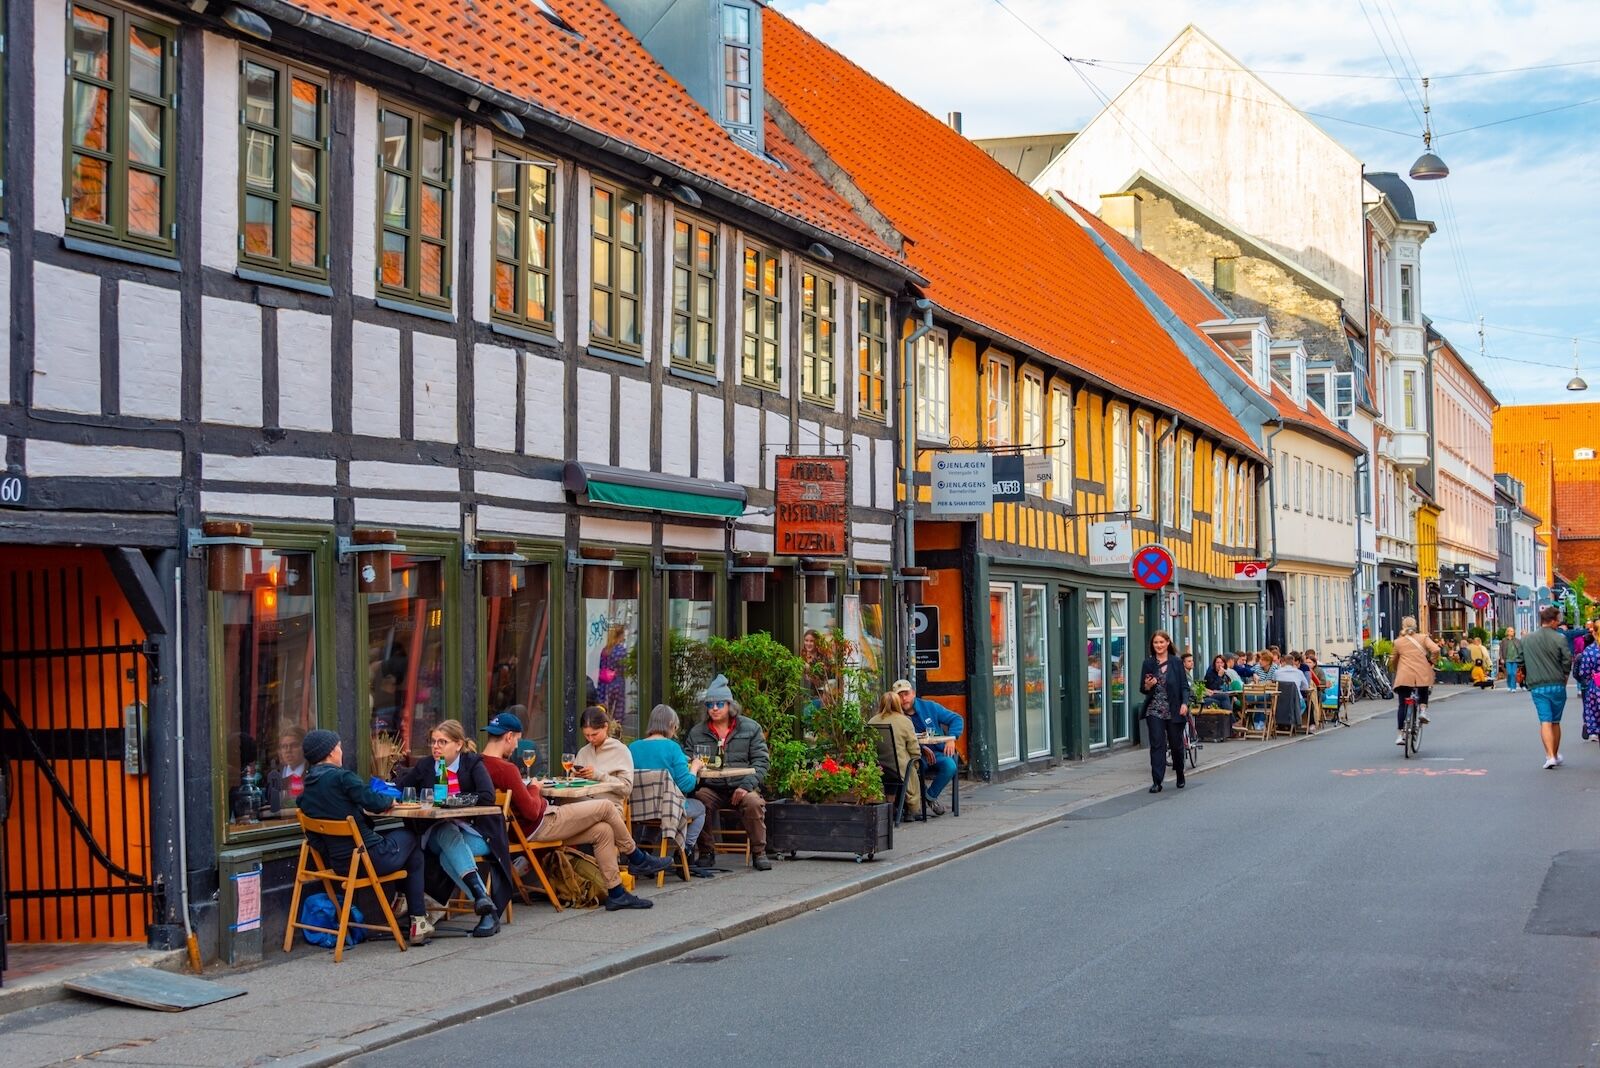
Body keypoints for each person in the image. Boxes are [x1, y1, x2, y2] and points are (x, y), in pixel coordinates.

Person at [479, 711, 666, 909]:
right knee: (606, 807)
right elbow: (532, 812)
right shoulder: (506, 769)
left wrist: (529, 790)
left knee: (604, 831)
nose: (517, 745)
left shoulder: (478, 763)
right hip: (540, 825)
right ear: (508, 737)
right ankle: (636, 856)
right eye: (517, 740)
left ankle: (617, 893)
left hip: (515, 831)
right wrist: (535, 788)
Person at [295, 729, 434, 946]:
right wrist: (390, 802)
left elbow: (315, 839)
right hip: (370, 858)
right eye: (339, 747)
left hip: (341, 865)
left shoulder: (307, 791)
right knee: (412, 839)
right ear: (331, 752)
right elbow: (373, 801)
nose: (341, 751)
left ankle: (405, 905)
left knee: (398, 841)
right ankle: (417, 918)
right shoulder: (342, 777)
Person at [393, 720, 513, 937]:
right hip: (436, 833)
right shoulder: (426, 765)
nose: (436, 747)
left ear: (458, 745)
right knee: (446, 833)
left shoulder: (472, 763)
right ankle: (484, 903)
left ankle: (487, 909)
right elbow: (402, 789)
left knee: (450, 853)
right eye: (433, 742)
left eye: (442, 742)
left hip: (477, 834)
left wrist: (456, 801)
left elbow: (487, 796)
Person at [685, 675, 773, 871]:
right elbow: (687, 759)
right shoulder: (697, 732)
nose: (714, 708)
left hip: (741, 784)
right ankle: (706, 852)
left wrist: (746, 785)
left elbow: (761, 761)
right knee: (699, 800)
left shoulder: (750, 728)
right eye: (710, 704)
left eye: (719, 703)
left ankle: (759, 853)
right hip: (712, 787)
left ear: (730, 705)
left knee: (753, 803)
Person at [629, 704, 709, 864]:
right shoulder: (673, 748)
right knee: (700, 808)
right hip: (667, 810)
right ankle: (685, 851)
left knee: (657, 800)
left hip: (636, 810)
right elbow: (686, 785)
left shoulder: (632, 747)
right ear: (671, 724)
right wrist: (694, 767)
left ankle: (646, 850)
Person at [892, 679, 964, 817]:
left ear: (913, 693)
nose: (904, 699)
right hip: (913, 755)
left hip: (937, 752)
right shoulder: (896, 715)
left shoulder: (929, 707)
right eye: (899, 696)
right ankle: (913, 804)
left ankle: (929, 797)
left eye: (906, 694)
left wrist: (952, 738)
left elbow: (956, 719)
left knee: (950, 765)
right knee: (911, 770)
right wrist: (922, 747)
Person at [1522, 605, 1575, 769]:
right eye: (1557, 621)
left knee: (1545, 720)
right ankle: (1555, 754)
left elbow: (1520, 660)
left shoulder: (1527, 639)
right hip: (1557, 684)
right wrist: (1565, 676)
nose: (1558, 624)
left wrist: (1525, 673)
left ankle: (1550, 756)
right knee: (1556, 721)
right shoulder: (1559, 638)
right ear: (1552, 621)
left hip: (1537, 685)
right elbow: (1567, 660)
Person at [1138, 630, 1189, 793]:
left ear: (1168, 643)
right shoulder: (1148, 663)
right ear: (1152, 645)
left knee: (1176, 745)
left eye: (1161, 642)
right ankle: (1157, 781)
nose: (1159, 645)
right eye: (1155, 643)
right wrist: (1148, 685)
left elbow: (1184, 687)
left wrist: (1184, 704)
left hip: (1174, 710)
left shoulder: (1176, 662)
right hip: (1155, 710)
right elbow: (1143, 689)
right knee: (1157, 745)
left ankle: (1180, 773)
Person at [868, 691, 924, 818]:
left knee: (897, 773)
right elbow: (914, 749)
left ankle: (892, 807)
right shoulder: (904, 721)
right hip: (899, 769)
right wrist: (916, 762)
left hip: (878, 768)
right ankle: (912, 810)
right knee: (913, 769)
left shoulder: (872, 721)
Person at [1390, 617, 1440, 746]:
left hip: (1404, 675)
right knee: (1423, 687)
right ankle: (1423, 711)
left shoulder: (1398, 642)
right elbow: (1435, 649)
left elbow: (1393, 660)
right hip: (1421, 673)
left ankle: (1400, 735)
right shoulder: (1423, 638)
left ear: (1403, 626)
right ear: (1416, 625)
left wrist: (1397, 669)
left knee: (1402, 704)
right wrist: (1432, 662)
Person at [574, 706, 633, 813]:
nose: (590, 739)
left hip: (609, 806)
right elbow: (573, 786)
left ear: (605, 726)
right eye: (586, 735)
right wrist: (575, 777)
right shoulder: (583, 752)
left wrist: (599, 776)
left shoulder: (621, 750)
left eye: (594, 734)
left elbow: (627, 789)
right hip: (582, 804)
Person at [1575, 623, 1600, 743]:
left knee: (1595, 712)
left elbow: (1584, 672)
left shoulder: (1590, 651)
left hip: (1596, 684)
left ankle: (1594, 731)